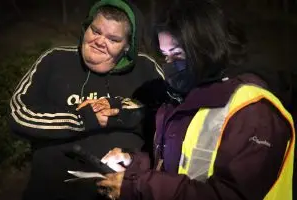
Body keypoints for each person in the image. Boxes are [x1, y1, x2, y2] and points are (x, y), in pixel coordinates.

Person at [96, 0, 295, 199]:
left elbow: (230, 194)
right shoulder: (183, 97)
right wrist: (133, 163)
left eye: (177, 55)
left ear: (206, 49)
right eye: (165, 56)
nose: (170, 65)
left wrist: (139, 186)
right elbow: (175, 165)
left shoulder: (253, 112)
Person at [9, 0, 167, 199]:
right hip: (51, 190)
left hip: (122, 191)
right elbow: (18, 113)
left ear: (127, 46)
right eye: (96, 31)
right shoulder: (54, 60)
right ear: (86, 28)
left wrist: (121, 114)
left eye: (113, 39)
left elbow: (169, 124)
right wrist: (82, 119)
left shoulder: (146, 69)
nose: (100, 41)